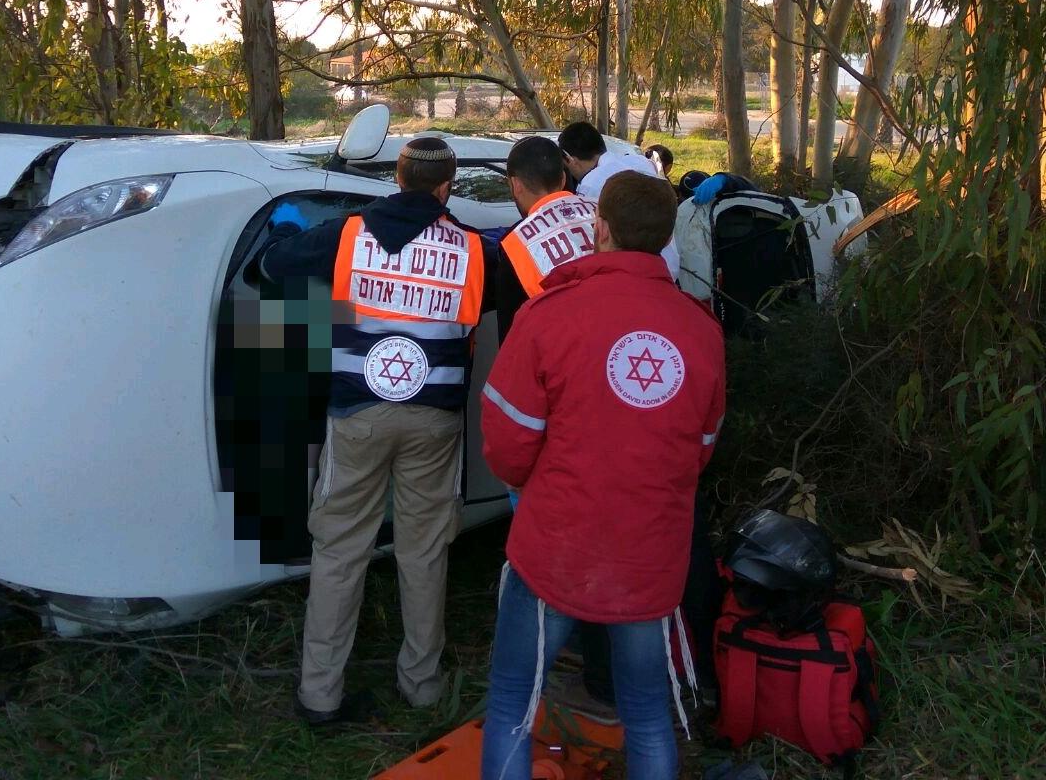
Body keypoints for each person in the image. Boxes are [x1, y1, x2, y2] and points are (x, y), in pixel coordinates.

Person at [478, 171, 726, 780]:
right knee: (645, 712)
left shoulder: (549, 315)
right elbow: (701, 445)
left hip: (556, 544)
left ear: (601, 227)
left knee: (514, 703)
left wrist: (540, 490)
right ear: (666, 234)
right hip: (650, 551)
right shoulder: (702, 329)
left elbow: (508, 444)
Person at [254, 137, 492, 725]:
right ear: (446, 187)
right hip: (435, 418)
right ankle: (422, 682)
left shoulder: (348, 234)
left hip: (357, 412)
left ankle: (320, 693)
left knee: (339, 547)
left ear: (398, 179)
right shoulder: (471, 249)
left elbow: (273, 267)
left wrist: (284, 229)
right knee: (425, 547)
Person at [496, 136, 598, 341]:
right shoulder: (605, 211)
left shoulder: (515, 243)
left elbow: (513, 338)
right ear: (562, 179)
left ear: (515, 185)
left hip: (561, 353)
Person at [557, 121, 680, 280]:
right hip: (667, 270)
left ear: (569, 159)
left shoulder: (591, 184)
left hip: (628, 276)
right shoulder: (640, 161)